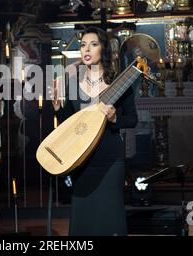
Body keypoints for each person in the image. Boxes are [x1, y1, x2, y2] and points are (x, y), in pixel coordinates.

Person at [49, 27, 138, 236]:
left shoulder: (120, 84)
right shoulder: (72, 85)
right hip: (82, 161)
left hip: (110, 162)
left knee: (110, 218)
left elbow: (132, 120)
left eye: (93, 44)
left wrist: (115, 119)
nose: (86, 49)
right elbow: (69, 126)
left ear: (103, 50)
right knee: (83, 221)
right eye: (83, 45)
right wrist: (58, 109)